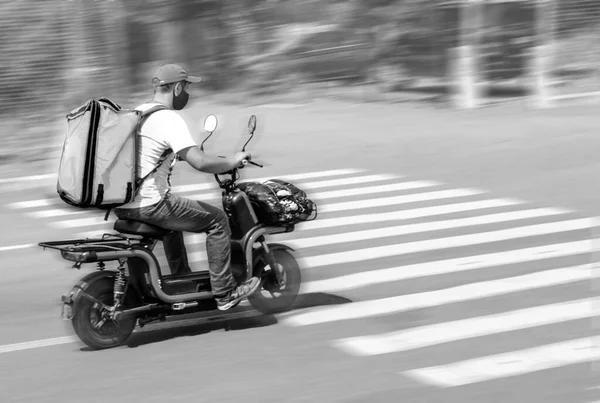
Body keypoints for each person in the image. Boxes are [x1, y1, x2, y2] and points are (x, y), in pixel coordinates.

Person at [114, 63, 261, 311]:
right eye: (187, 87)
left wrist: (177, 155)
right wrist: (232, 161)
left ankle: (180, 290)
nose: (187, 93)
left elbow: (149, 152)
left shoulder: (139, 113)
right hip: (150, 204)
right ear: (178, 87)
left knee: (174, 225)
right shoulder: (168, 118)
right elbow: (201, 163)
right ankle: (225, 293)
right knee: (217, 220)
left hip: (123, 203)